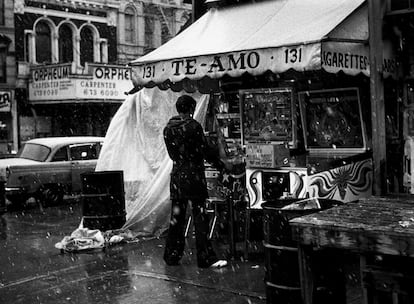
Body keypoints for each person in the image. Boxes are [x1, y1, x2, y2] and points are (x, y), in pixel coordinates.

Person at [163, 94, 229, 268]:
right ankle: (205, 257)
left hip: (177, 176)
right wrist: (221, 166)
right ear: (191, 109)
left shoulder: (168, 128)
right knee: (200, 217)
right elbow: (204, 150)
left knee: (176, 217)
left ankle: (172, 256)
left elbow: (172, 155)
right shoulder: (193, 127)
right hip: (193, 178)